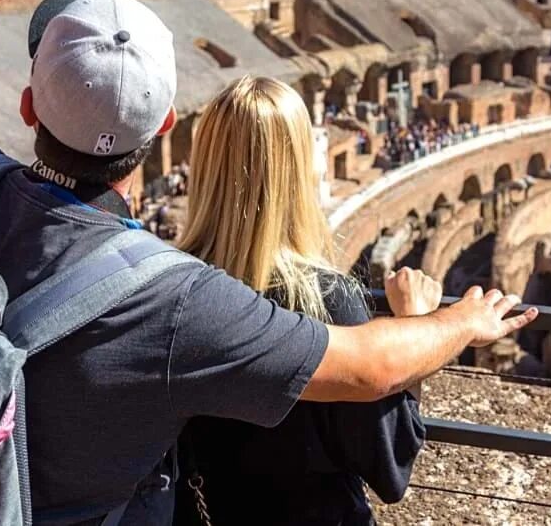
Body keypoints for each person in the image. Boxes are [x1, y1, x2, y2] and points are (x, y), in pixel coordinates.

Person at [0, 0, 537, 524]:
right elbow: (368, 367)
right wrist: (456, 320)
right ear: (164, 126)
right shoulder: (171, 297)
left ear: (27, 106)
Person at [174, 77, 434, 525]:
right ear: (298, 170)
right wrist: (415, 327)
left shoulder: (169, 287)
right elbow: (391, 463)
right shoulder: (329, 302)